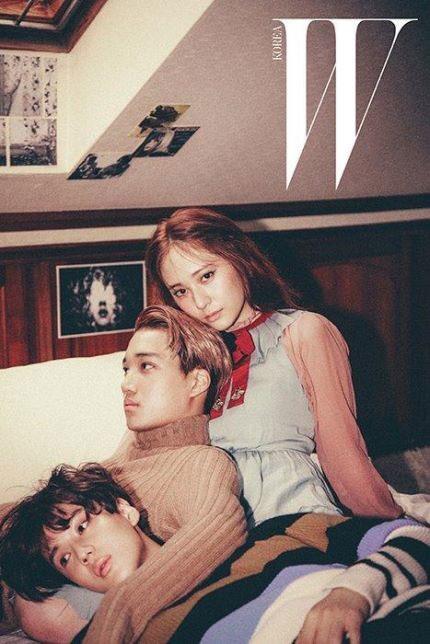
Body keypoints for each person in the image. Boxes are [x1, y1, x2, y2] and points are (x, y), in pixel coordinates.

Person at [1, 305, 247, 643]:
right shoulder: (132, 448)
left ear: (196, 381)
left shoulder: (199, 463)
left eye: (146, 366)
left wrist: (122, 610)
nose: (126, 384)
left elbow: (220, 524)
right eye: (126, 369)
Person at [145, 207, 403, 526]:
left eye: (207, 276)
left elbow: (342, 451)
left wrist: (385, 523)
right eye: (181, 291)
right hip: (212, 527)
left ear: (238, 259)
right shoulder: (190, 360)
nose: (199, 302)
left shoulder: (304, 331)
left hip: (292, 515)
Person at [1, 465, 429, 644]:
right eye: (63, 559)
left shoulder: (273, 535)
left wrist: (353, 593)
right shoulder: (129, 635)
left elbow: (413, 535)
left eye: (81, 526)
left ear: (125, 510)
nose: (82, 553)